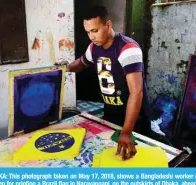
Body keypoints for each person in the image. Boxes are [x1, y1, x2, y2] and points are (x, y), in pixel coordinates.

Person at [58, 5, 150, 160]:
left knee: (134, 162)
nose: (91, 36)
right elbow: (81, 63)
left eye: (95, 31)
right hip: (111, 114)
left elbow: (137, 92)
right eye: (88, 32)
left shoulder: (128, 48)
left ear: (108, 25)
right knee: (112, 159)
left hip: (134, 120)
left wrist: (127, 132)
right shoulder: (94, 48)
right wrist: (64, 68)